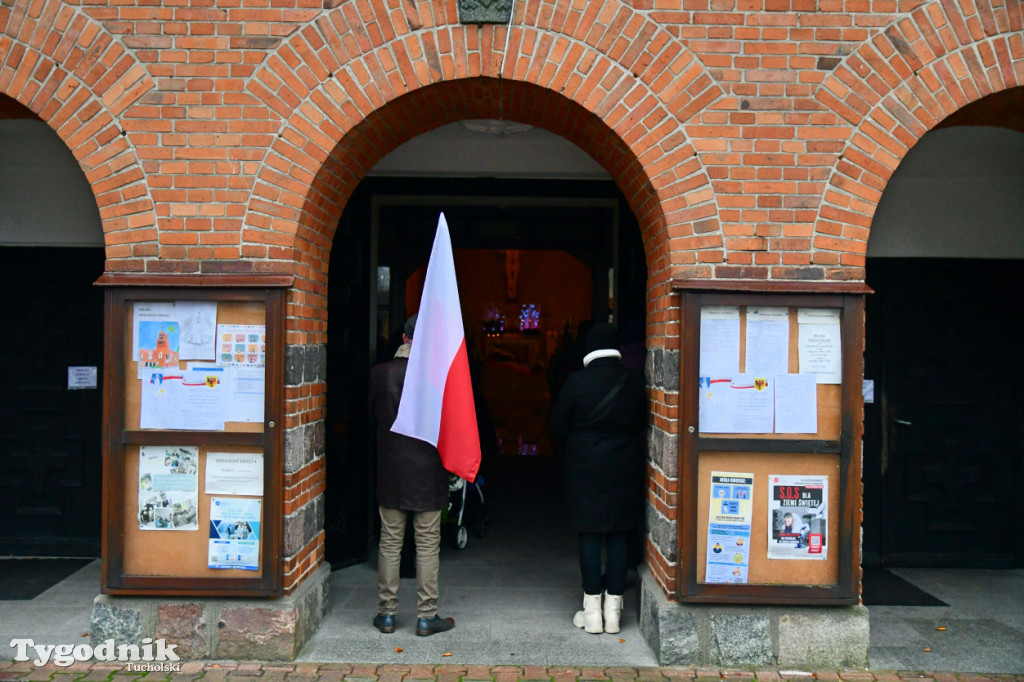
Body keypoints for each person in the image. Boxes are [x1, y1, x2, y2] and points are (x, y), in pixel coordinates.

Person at [549, 322, 646, 635]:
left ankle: (591, 612)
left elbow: (557, 428)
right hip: (624, 467)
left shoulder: (576, 382)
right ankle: (614, 612)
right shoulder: (633, 382)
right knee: (618, 534)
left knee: (589, 535)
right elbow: (644, 423)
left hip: (584, 468)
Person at [367, 314, 455, 637]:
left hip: (391, 470)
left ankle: (387, 613)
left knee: (390, 542)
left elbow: (371, 416)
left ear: (403, 339)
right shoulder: (438, 377)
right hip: (428, 472)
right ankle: (426, 615)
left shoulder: (380, 373)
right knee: (428, 544)